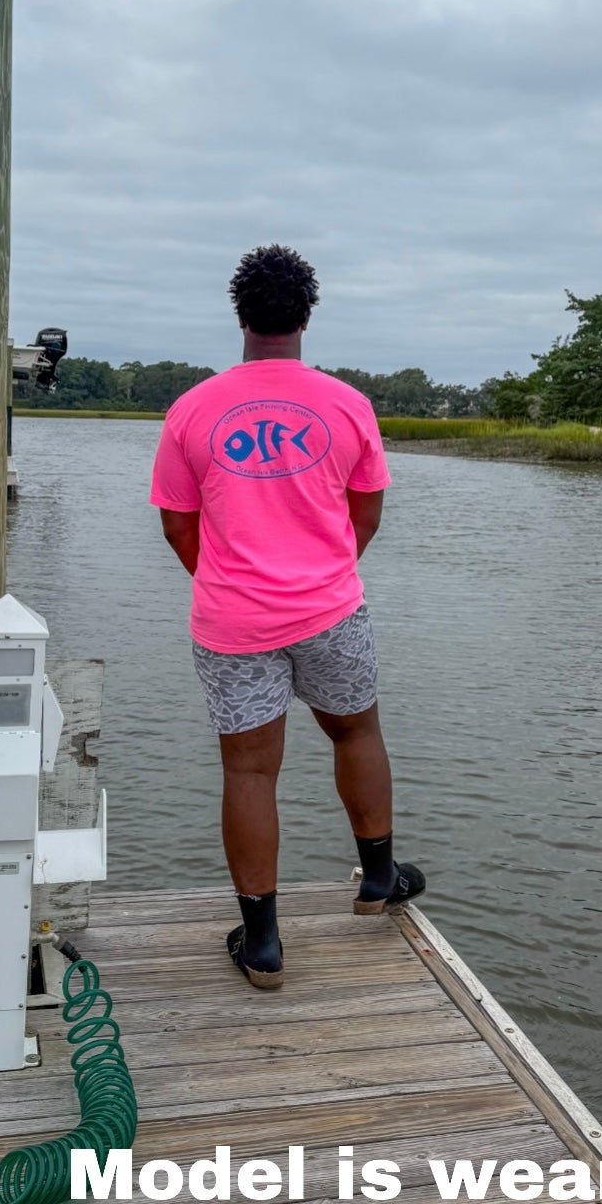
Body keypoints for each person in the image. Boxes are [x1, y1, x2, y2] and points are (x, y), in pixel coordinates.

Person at [150, 245, 425, 990]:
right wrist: (323, 571)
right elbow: (363, 512)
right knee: (356, 730)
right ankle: (377, 880)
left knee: (248, 769)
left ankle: (264, 942)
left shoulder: (191, 408)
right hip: (331, 607)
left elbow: (179, 524)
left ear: (240, 316)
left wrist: (229, 583)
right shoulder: (347, 404)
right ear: (306, 315)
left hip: (233, 620)